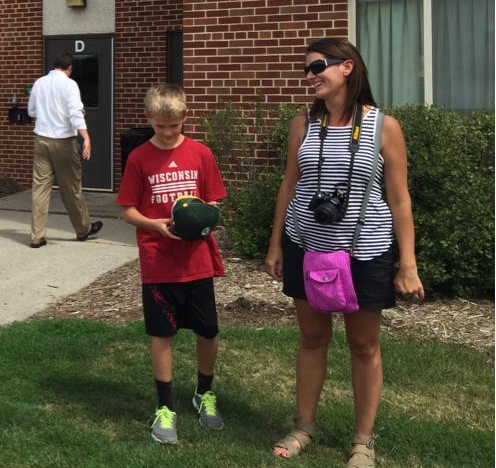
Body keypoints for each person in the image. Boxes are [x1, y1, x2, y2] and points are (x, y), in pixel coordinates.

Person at [264, 38, 425, 468]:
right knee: (312, 339)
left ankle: (363, 442)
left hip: (364, 252)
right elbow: (290, 184)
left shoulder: (383, 127)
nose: (310, 76)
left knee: (364, 345)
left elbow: (399, 197)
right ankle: (303, 427)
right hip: (307, 248)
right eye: (307, 70)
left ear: (348, 68)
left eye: (317, 67)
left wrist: (407, 264)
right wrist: (277, 242)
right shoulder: (302, 124)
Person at [116, 83, 227, 445]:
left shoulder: (200, 153)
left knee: (207, 329)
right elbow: (128, 210)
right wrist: (155, 225)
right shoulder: (139, 159)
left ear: (184, 118)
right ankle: (165, 407)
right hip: (158, 260)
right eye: (159, 126)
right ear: (149, 119)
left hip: (196, 260)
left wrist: (202, 217)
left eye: (173, 126)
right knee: (162, 333)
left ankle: (204, 393)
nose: (166, 133)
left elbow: (214, 202)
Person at [26, 52, 103, 248]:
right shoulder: (70, 85)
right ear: (70, 68)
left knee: (40, 189)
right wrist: (86, 137)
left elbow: (31, 111)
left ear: (55, 65)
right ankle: (82, 229)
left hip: (41, 140)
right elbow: (75, 114)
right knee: (71, 189)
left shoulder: (39, 83)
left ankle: (37, 236)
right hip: (64, 142)